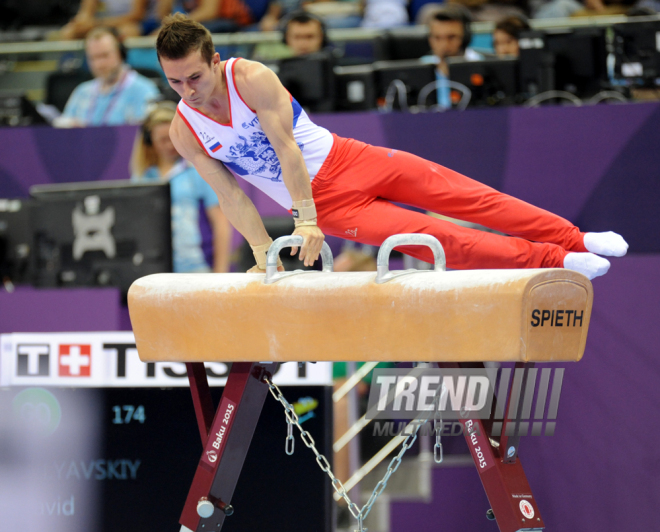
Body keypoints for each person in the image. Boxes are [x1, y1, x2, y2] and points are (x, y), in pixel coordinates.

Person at [156, 13, 628, 279]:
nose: (188, 90)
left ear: (215, 61)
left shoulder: (250, 78)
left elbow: (286, 150)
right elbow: (231, 195)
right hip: (333, 207)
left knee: (469, 197)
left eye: (195, 76)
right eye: (175, 81)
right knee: (439, 240)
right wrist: (263, 255)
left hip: (349, 159)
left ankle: (574, 237)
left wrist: (305, 221)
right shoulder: (184, 130)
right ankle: (557, 261)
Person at [131, 102, 232, 273]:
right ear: (149, 142)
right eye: (162, 140)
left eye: (172, 138)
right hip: (154, 272)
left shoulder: (200, 170)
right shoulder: (141, 178)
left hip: (196, 270)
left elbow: (221, 224)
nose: (170, 146)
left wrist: (220, 273)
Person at [56, 27, 160, 127]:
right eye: (93, 58)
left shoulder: (144, 90)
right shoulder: (81, 92)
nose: (99, 65)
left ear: (121, 53)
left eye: (104, 56)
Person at [420, 6, 484, 109]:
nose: (444, 44)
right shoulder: (422, 67)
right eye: (437, 38)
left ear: (465, 37)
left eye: (451, 37)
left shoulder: (482, 65)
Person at [59, 0, 159, 40]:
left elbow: (137, 15)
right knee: (68, 32)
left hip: (139, 22)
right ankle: (72, 69)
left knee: (128, 32)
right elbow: (85, 12)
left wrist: (98, 24)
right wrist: (79, 22)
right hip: (107, 22)